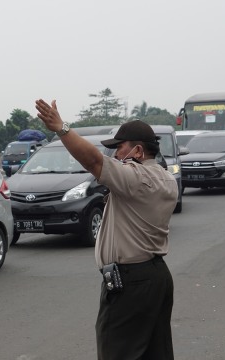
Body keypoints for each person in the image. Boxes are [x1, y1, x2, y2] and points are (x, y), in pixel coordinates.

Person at [35, 99, 178, 360]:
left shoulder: (135, 177)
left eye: (119, 148)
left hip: (131, 282)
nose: (115, 155)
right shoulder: (167, 178)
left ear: (137, 151)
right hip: (156, 276)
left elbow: (93, 161)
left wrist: (61, 128)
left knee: (116, 351)